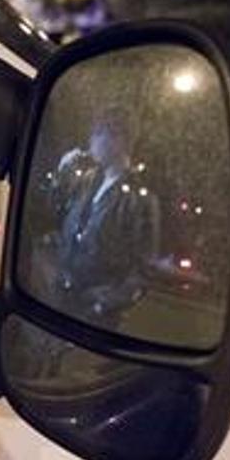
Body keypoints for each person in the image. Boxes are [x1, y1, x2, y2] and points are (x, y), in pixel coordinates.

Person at [34, 105, 159, 331]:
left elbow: (143, 270)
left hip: (95, 320)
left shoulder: (140, 200)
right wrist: (62, 173)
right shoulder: (87, 183)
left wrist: (103, 304)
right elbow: (52, 213)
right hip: (61, 301)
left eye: (97, 133)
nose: (90, 141)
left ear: (118, 139)